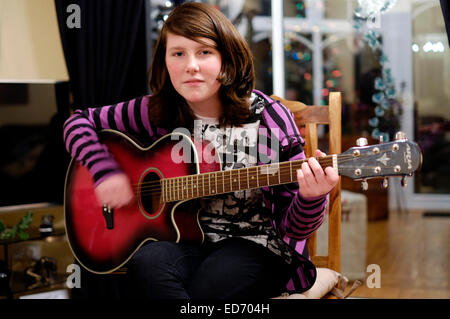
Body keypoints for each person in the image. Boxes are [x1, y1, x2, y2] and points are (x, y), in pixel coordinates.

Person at [63, 2, 338, 299]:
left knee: (209, 286)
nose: (190, 65)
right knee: (146, 264)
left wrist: (311, 197)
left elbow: (294, 229)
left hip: (259, 246)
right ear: (165, 62)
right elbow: (78, 122)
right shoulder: (157, 111)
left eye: (204, 52)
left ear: (227, 57)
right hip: (187, 242)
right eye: (178, 53)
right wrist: (105, 172)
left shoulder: (268, 117)